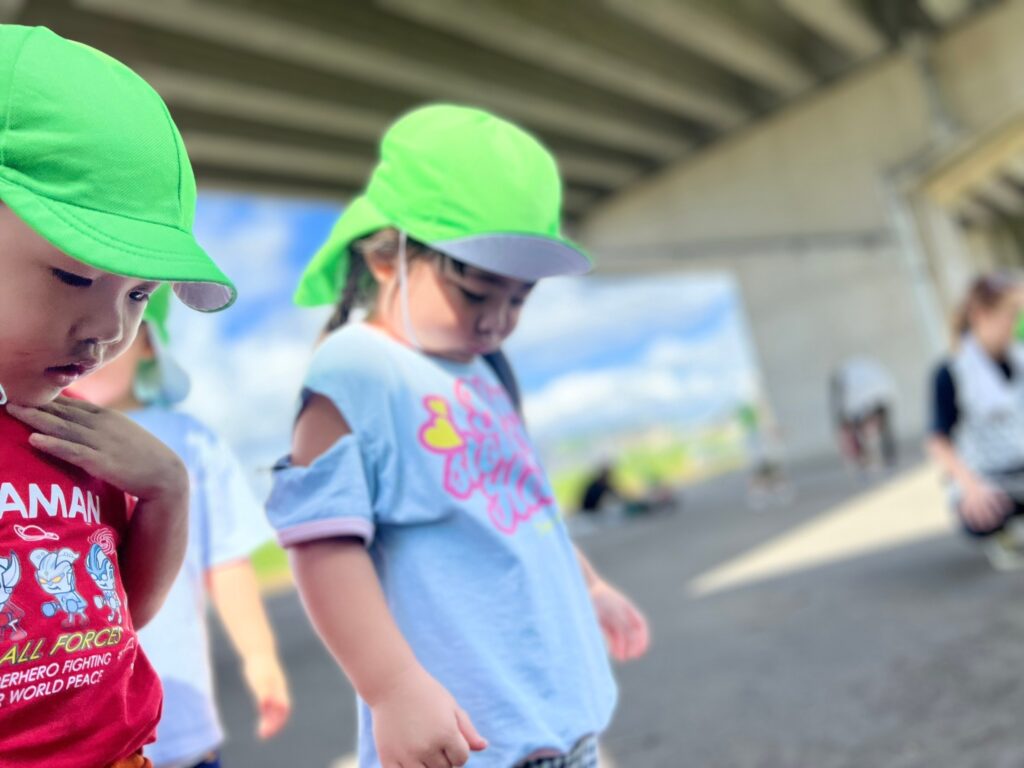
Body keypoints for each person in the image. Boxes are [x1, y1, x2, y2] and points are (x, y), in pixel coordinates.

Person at [266, 105, 650, 768]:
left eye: (519, 298)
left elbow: (526, 511)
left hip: (563, 729)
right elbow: (323, 544)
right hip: (467, 745)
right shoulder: (359, 368)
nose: (497, 320)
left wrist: (589, 587)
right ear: (386, 257)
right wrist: (391, 688)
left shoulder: (485, 371)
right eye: (476, 293)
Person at [0, 25, 234, 768]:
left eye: (140, 294)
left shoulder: (67, 438)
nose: (110, 329)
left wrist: (167, 492)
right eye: (74, 275)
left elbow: (114, 624)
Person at [72, 286, 291, 768]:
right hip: (77, 736)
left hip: (180, 721)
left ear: (150, 343)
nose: (93, 339)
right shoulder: (31, 437)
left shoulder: (189, 440)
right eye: (73, 315)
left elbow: (225, 560)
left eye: (119, 322)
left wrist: (259, 654)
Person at [929, 273, 1024, 571]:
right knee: (986, 509)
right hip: (987, 475)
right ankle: (1003, 533)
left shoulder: (1019, 359)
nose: (1018, 321)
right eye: (1013, 312)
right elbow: (938, 440)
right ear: (982, 315)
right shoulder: (952, 372)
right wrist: (971, 486)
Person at [829, 356, 898, 473]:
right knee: (864, 431)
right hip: (874, 395)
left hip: (873, 396)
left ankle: (876, 458)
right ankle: (869, 458)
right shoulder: (854, 377)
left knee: (868, 431)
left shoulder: (851, 379)